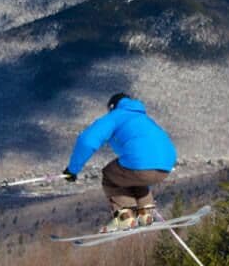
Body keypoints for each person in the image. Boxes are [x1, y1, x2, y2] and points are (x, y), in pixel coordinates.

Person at [62, 93, 177, 232]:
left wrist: (72, 170)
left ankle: (125, 217)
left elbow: (87, 141)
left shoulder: (115, 116)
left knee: (110, 175)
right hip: (166, 166)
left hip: (141, 165)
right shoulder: (143, 118)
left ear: (112, 107)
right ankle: (145, 213)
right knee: (131, 176)